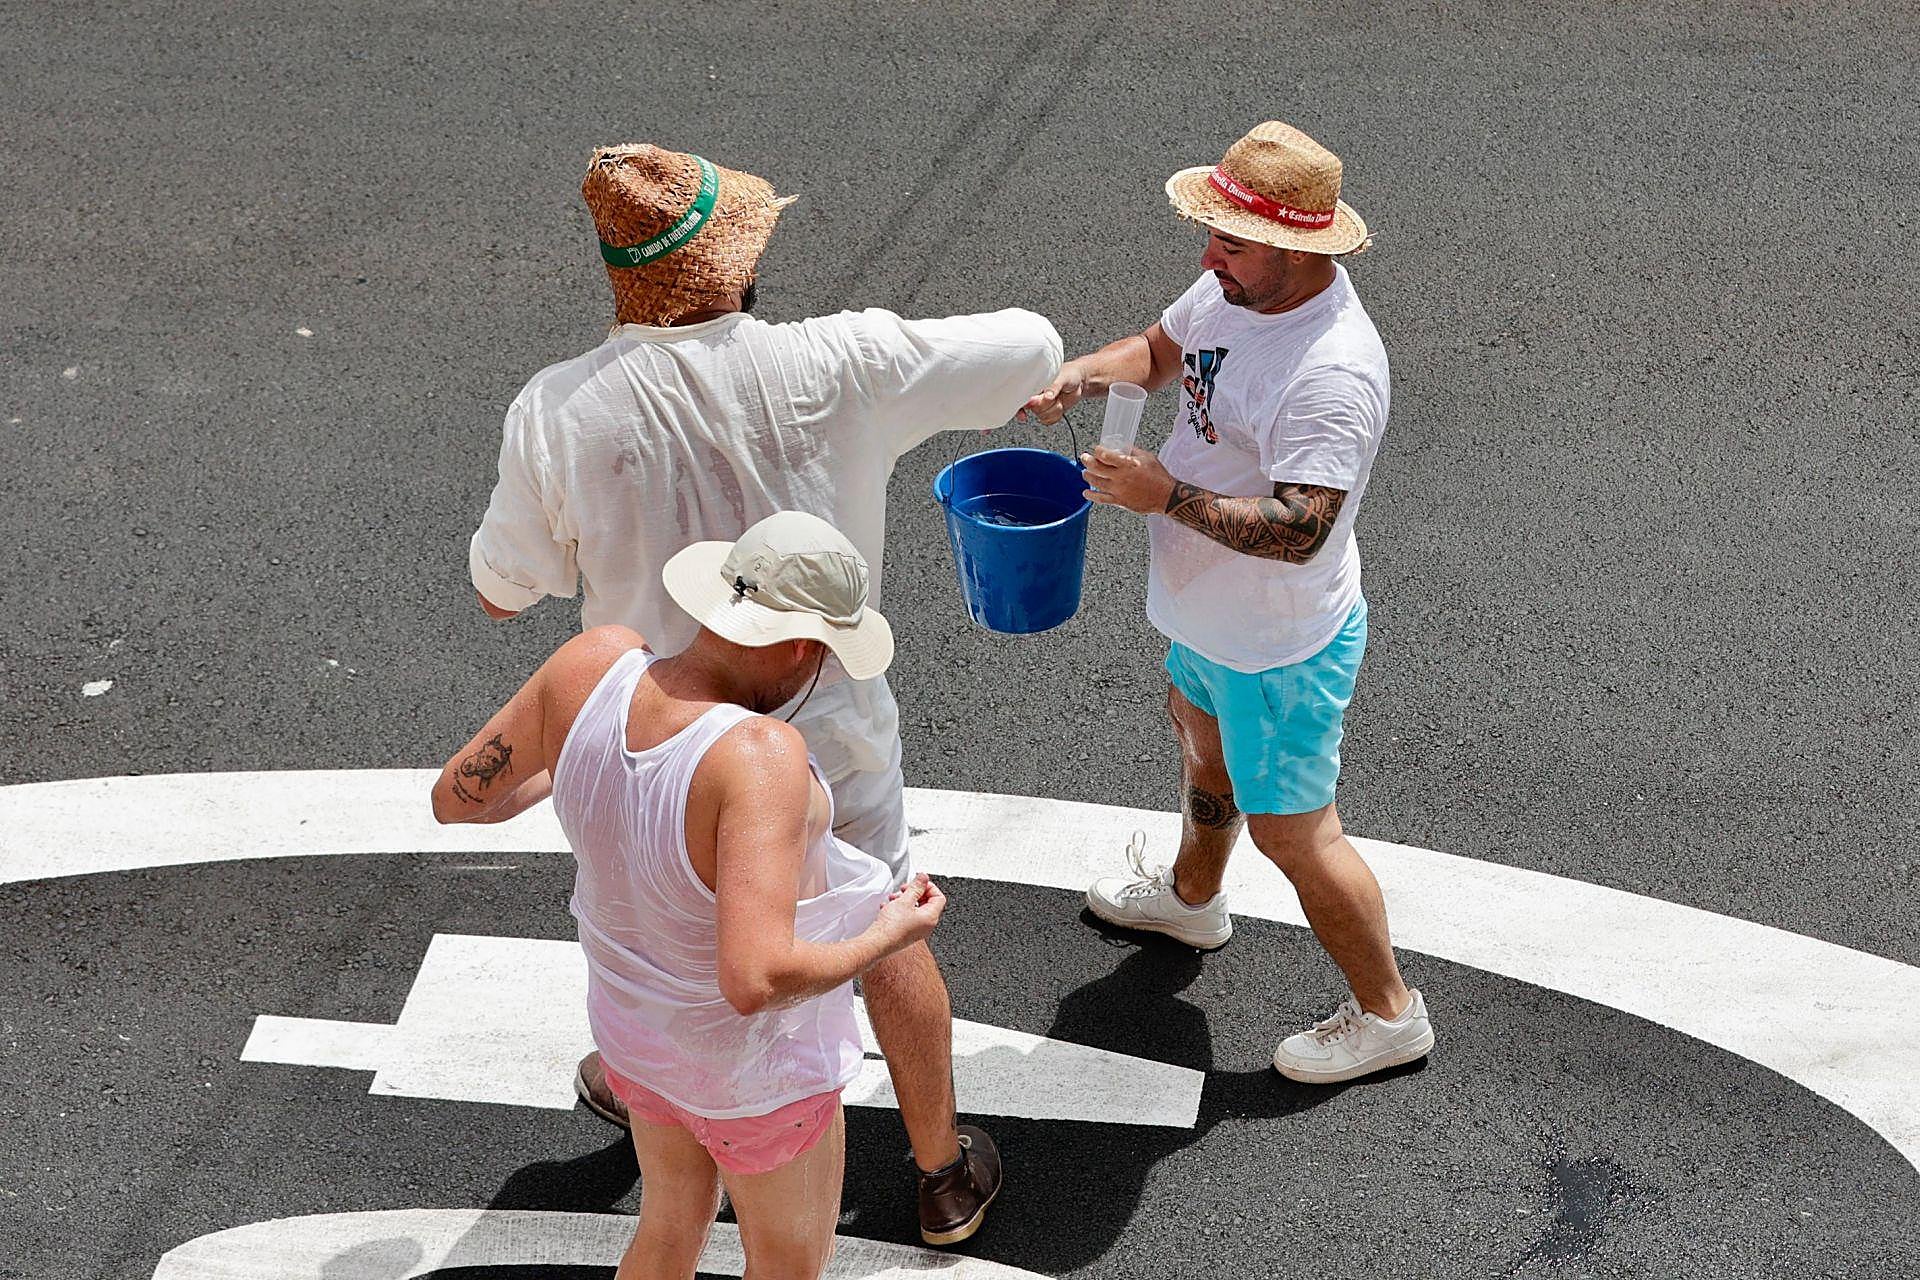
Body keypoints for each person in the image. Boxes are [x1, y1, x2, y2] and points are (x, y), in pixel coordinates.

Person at [467, 142, 1059, 1241]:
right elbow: (1033, 346)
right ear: (739, 266)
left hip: (665, 737)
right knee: (886, 913)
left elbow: (502, 590)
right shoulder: (840, 358)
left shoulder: (556, 409)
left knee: (660, 914)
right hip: (829, 724)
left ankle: (643, 1079)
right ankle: (941, 1171)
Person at [433, 512, 953, 1280]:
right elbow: (755, 979)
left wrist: (577, 758)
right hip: (756, 1080)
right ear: (802, 646)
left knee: (670, 1227)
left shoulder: (591, 665)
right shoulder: (759, 757)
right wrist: (889, 935)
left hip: (635, 1044)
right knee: (787, 1267)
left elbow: (458, 798)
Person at [1022, 121, 1435, 1084]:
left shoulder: (1330, 373)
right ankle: (1192, 900)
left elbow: (1301, 528)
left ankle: (1390, 1014)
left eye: (1231, 243)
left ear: (1298, 248)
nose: (1210, 259)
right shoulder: (1235, 285)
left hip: (1276, 645)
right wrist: (1085, 372)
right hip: (1208, 619)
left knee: (1297, 834)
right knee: (1201, 748)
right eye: (1211, 235)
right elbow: (1160, 351)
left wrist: (1163, 494)